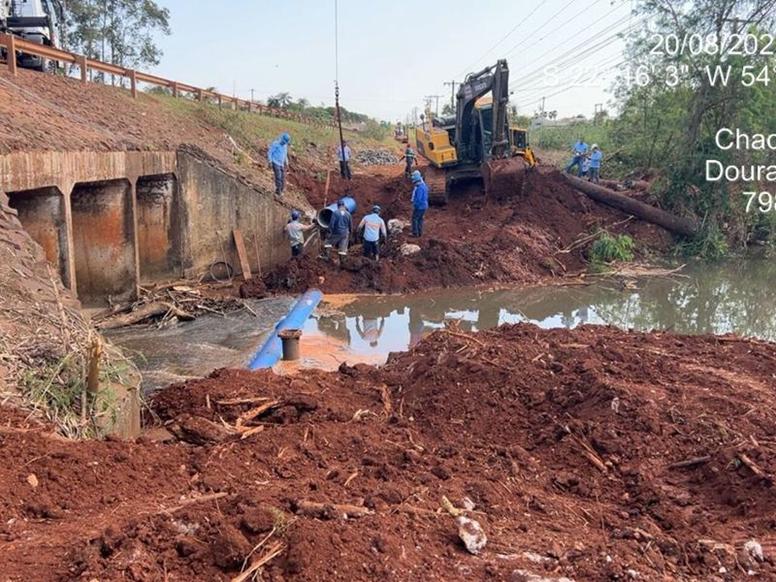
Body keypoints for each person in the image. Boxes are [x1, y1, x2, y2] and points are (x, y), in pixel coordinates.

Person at [322, 199, 353, 265]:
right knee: (343, 249)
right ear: (344, 205)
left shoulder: (335, 213)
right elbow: (350, 225)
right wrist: (350, 233)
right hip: (345, 233)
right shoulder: (348, 214)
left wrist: (329, 232)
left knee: (327, 243)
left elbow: (331, 224)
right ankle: (343, 263)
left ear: (338, 206)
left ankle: (326, 257)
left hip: (336, 233)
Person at [410, 170, 428, 237]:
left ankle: (415, 233)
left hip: (419, 206)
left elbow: (418, 199)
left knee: (415, 219)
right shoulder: (424, 186)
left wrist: (415, 205)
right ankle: (420, 233)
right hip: (424, 206)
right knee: (420, 219)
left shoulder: (419, 188)